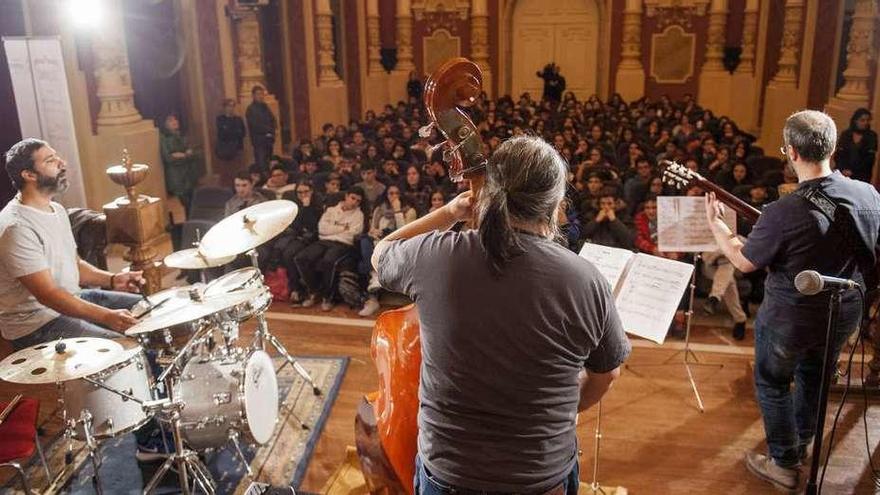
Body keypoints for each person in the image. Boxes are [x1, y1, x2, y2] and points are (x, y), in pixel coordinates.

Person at [371, 136, 630, 495]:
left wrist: (449, 213)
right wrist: (565, 414)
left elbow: (382, 252)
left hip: (449, 478)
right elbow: (607, 375)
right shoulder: (586, 281)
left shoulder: (436, 257)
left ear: (489, 194)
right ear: (556, 205)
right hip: (542, 480)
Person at [706, 110, 880, 492]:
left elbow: (744, 261)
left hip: (791, 318)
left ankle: (784, 463)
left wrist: (717, 226)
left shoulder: (783, 210)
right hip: (845, 313)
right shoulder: (869, 194)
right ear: (832, 148)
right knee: (815, 378)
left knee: (772, 382)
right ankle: (800, 444)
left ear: (790, 153)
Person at [294, 187, 366, 311]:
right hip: (324, 241)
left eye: (358, 201)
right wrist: (342, 228)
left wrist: (332, 229)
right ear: (346, 196)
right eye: (352, 198)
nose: (354, 202)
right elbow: (322, 228)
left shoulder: (359, 215)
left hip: (343, 244)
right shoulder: (331, 210)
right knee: (301, 258)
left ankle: (328, 297)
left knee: (329, 261)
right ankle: (314, 291)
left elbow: (352, 234)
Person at [160, 114, 198, 214]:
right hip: (177, 175)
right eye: (170, 120)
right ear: (165, 124)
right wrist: (182, 155)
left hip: (188, 173)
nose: (175, 122)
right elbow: (168, 157)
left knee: (192, 200)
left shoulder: (181, 135)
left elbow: (191, 152)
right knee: (184, 202)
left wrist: (186, 154)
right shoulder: (164, 138)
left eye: (176, 119)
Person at [834, 108, 877, 183]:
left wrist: (853, 171)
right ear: (855, 120)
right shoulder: (846, 134)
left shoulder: (871, 136)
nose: (865, 123)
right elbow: (839, 155)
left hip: (861, 175)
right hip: (843, 173)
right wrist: (843, 169)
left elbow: (869, 159)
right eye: (862, 120)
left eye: (867, 120)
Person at [215, 98, 247, 186]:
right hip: (225, 149)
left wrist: (230, 130)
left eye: (233, 106)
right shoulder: (220, 119)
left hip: (237, 148)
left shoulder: (238, 119)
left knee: (237, 171)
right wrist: (234, 131)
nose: (231, 108)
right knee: (226, 172)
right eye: (229, 106)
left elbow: (243, 133)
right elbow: (222, 134)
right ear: (224, 107)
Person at [245, 85, 276, 171]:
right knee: (261, 163)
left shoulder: (265, 106)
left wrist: (271, 132)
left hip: (268, 140)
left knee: (270, 163)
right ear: (253, 96)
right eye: (258, 94)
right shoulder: (250, 109)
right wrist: (267, 130)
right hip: (259, 141)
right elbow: (254, 125)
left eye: (262, 94)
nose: (260, 96)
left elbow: (273, 119)